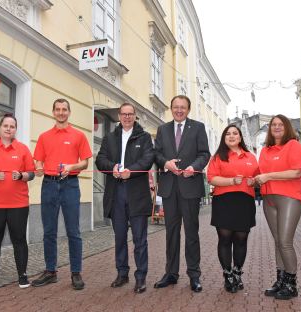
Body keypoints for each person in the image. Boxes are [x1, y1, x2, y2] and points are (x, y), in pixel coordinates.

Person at [32, 98, 92, 290]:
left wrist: (72, 166)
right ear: (53, 112)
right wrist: (39, 168)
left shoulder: (78, 135)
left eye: (64, 109)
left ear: (69, 112)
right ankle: (51, 272)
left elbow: (85, 163)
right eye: (57, 109)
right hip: (48, 184)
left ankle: (76, 272)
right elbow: (38, 162)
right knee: (49, 231)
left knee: (73, 231)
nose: (61, 112)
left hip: (70, 185)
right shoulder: (44, 136)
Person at [95, 103, 154, 294]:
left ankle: (140, 277)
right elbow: (100, 159)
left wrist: (132, 171)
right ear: (119, 116)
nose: (127, 117)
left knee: (140, 239)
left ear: (135, 116)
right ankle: (122, 273)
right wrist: (112, 166)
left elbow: (148, 159)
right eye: (124, 114)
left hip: (137, 193)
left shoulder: (144, 137)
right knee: (120, 237)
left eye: (130, 114)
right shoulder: (110, 138)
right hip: (116, 193)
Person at [154, 95, 210, 292]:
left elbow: (204, 154)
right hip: (169, 188)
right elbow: (157, 154)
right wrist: (165, 163)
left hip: (190, 187)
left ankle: (194, 275)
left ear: (188, 109)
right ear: (171, 109)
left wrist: (193, 167)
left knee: (192, 233)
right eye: (176, 107)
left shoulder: (198, 127)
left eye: (183, 107)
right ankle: (171, 273)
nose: (179, 110)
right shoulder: (162, 129)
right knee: (171, 233)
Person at [0, 114, 35, 290]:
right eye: (6, 125)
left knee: (19, 239)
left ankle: (22, 275)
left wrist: (21, 175)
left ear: (15, 129)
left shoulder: (23, 149)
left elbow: (31, 173)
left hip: (18, 204)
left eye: (12, 126)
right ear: (0, 127)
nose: (9, 129)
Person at [255, 114, 301, 300]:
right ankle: (281, 281)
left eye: (280, 124)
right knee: (277, 241)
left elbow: (296, 172)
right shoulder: (265, 150)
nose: (276, 127)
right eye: (273, 125)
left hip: (289, 198)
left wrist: (268, 177)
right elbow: (260, 172)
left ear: (287, 128)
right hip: (269, 198)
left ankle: (291, 285)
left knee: (285, 241)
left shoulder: (294, 145)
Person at [207, 125, 259, 293]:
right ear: (224, 138)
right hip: (223, 200)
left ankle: (237, 272)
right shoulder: (217, 157)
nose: (231, 136)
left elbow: (258, 177)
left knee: (241, 238)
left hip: (245, 200)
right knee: (225, 238)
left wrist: (255, 182)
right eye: (228, 134)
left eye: (235, 133)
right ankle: (228, 274)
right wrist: (231, 182)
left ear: (240, 137)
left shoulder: (251, 156)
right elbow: (211, 178)